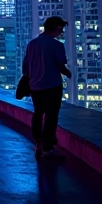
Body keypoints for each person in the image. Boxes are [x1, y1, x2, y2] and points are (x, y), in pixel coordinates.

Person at [22, 16, 72, 158]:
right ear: (56, 28)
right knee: (51, 115)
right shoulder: (57, 45)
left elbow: (26, 66)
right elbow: (60, 65)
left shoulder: (32, 44)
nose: (61, 32)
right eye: (61, 29)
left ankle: (38, 142)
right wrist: (69, 73)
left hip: (35, 85)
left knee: (38, 113)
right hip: (52, 85)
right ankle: (47, 146)